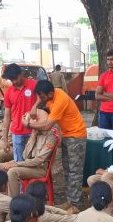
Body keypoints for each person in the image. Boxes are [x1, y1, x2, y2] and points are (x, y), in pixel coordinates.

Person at [27, 80, 86, 214]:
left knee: (74, 171)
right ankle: (70, 200)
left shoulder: (60, 99)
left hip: (76, 136)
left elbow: (47, 125)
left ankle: (75, 205)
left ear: (50, 93)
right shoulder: (51, 95)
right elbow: (39, 97)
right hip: (67, 135)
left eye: (42, 97)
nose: (41, 99)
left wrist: (29, 125)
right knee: (67, 169)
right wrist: (35, 105)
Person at [0, 109, 57, 198]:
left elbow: (39, 161)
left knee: (12, 172)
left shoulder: (51, 137)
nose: (31, 125)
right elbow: (25, 155)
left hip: (39, 169)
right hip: (26, 164)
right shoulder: (35, 133)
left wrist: (16, 164)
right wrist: (33, 137)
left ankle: (14, 203)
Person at [2, 63, 38, 162]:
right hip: (17, 133)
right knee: (19, 163)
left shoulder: (34, 84)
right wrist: (5, 139)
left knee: (33, 161)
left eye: (15, 79)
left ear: (21, 74)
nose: (14, 82)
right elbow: (7, 116)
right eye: (11, 80)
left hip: (34, 131)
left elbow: (44, 99)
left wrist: (35, 106)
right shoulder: (8, 92)